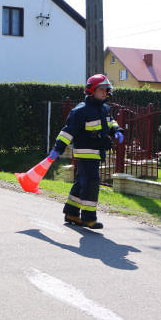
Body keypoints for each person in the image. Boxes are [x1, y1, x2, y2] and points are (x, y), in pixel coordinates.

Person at [48, 74, 124, 229]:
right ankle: (89, 218)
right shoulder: (80, 111)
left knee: (81, 182)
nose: (105, 93)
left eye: (106, 90)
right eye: (101, 89)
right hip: (84, 154)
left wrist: (116, 129)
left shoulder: (104, 108)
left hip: (97, 154)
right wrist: (58, 149)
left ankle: (72, 213)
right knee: (91, 183)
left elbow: (110, 122)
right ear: (91, 90)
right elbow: (67, 132)